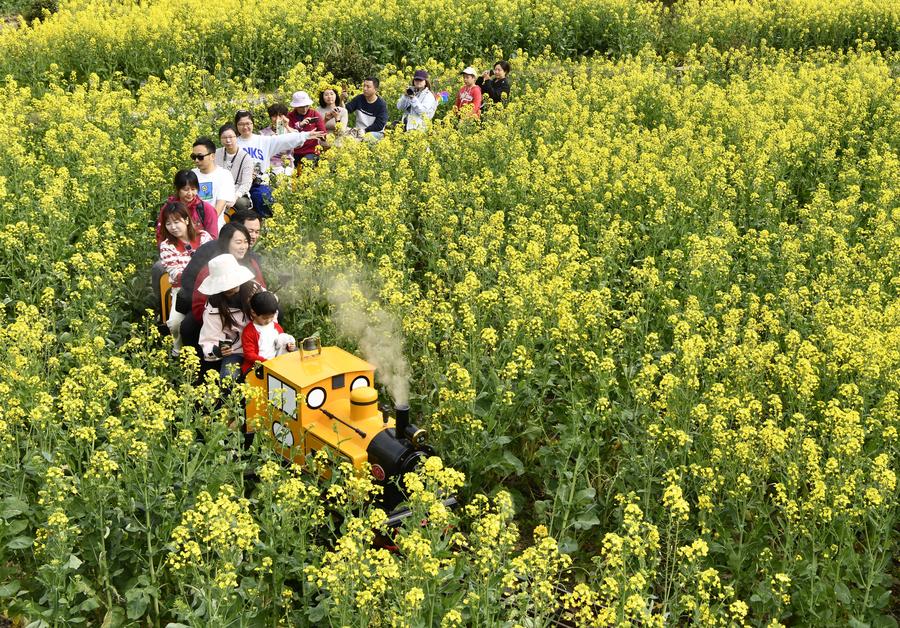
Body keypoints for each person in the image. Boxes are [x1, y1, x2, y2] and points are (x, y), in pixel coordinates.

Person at [177, 219, 265, 353]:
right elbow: (199, 304)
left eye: (245, 242)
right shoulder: (213, 268)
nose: (243, 246)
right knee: (188, 327)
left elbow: (262, 291)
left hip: (248, 314)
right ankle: (196, 360)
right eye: (238, 242)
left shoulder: (251, 262)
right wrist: (219, 319)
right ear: (226, 243)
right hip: (217, 313)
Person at [235, 109, 325, 216]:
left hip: (259, 183)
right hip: (239, 184)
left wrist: (306, 135)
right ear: (236, 125)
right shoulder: (233, 143)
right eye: (241, 124)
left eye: (248, 123)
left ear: (253, 124)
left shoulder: (263, 140)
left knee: (264, 198)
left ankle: (266, 221)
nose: (245, 127)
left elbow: (283, 139)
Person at [158, 202, 213, 355]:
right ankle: (178, 352)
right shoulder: (166, 245)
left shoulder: (203, 237)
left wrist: (195, 271)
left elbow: (212, 261)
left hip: (208, 287)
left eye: (177, 222)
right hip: (183, 290)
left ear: (187, 220)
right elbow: (175, 272)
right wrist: (197, 271)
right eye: (168, 223)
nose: (173, 227)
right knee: (175, 323)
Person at [197, 254, 258, 379]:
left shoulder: (254, 289)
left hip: (261, 344)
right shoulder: (214, 306)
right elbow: (208, 339)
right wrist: (217, 350)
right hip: (237, 351)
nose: (232, 287)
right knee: (228, 379)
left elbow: (271, 313)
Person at [155, 170, 219, 243]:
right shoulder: (167, 208)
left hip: (201, 249)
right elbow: (160, 235)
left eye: (193, 189)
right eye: (185, 190)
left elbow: (213, 238)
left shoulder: (206, 209)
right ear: (177, 189)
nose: (190, 193)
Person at [241, 291, 296, 374]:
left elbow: (282, 343)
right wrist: (266, 362)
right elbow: (249, 355)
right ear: (253, 313)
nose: (269, 320)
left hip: (275, 362)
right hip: (257, 364)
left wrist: (289, 347)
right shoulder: (249, 331)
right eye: (265, 318)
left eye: (272, 317)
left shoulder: (276, 327)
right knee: (258, 376)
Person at [191, 137, 236, 228]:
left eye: (200, 157)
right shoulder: (191, 174)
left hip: (214, 226)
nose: (196, 160)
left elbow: (219, 207)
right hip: (192, 225)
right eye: (193, 157)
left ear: (212, 156)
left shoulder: (224, 175)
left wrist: (204, 227)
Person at [215, 123, 253, 212]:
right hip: (218, 192)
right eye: (224, 137)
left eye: (231, 137)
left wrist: (234, 197)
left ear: (237, 137)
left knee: (240, 203)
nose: (228, 140)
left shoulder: (246, 157)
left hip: (238, 194)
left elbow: (246, 183)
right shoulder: (216, 154)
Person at [287, 91, 326, 167]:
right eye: (301, 107)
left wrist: (319, 136)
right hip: (294, 152)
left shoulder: (314, 114)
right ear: (295, 106)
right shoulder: (289, 116)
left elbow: (323, 132)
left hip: (311, 151)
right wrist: (299, 125)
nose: (304, 109)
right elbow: (288, 135)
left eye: (306, 106)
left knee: (304, 166)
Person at [259, 103, 295, 176]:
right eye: (274, 116)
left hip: (287, 167)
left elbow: (299, 143)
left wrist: (286, 127)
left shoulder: (291, 131)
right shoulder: (263, 133)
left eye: (280, 116)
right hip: (270, 167)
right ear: (270, 117)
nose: (277, 119)